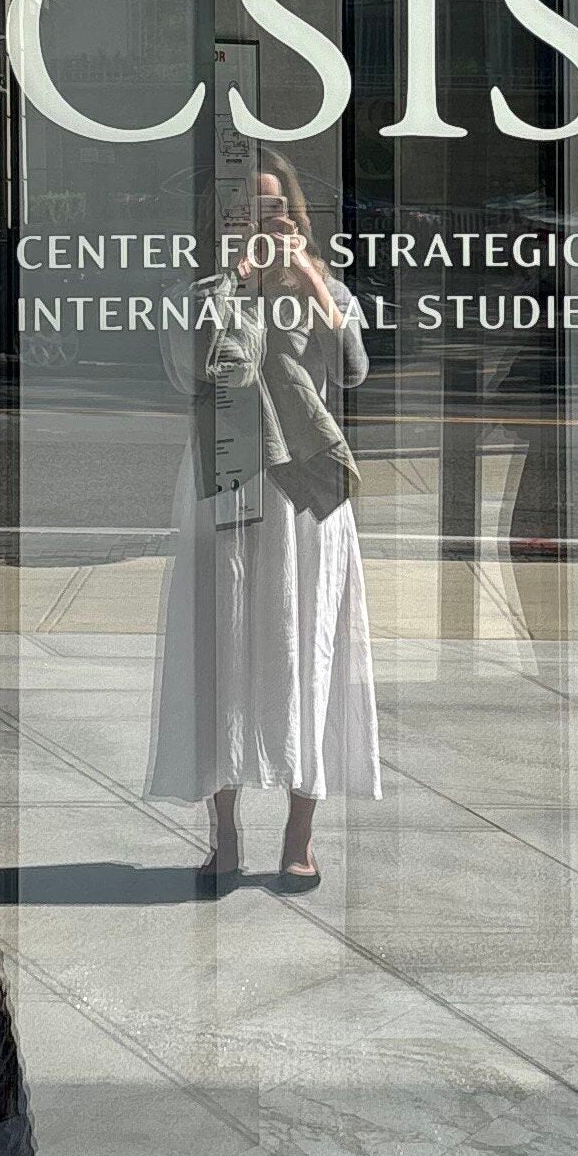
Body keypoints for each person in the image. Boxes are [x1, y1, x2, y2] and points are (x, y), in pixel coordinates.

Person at [146, 148, 380, 889]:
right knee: (223, 649)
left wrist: (307, 277)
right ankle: (224, 835)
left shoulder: (324, 287)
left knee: (310, 644)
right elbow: (192, 370)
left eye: (274, 206)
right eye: (244, 210)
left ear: (295, 214)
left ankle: (299, 836)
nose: (262, 219)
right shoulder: (199, 293)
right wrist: (237, 281)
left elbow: (354, 370)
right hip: (228, 477)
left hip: (304, 490)